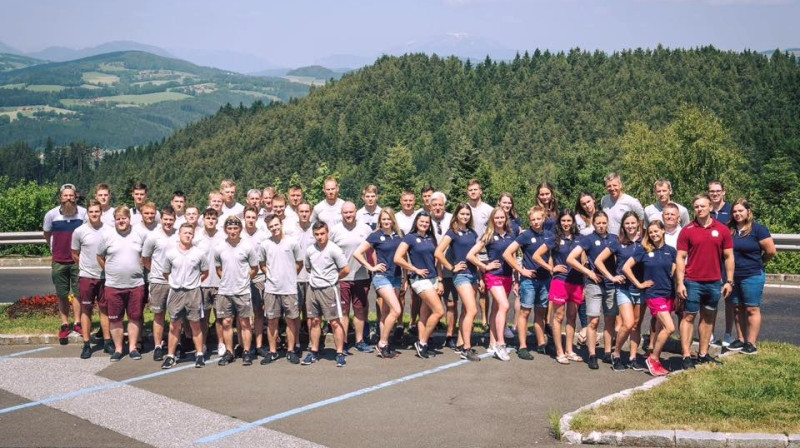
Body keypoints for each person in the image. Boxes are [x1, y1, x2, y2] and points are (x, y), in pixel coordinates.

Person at [675, 194, 734, 370]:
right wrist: (680, 282)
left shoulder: (722, 230)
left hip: (715, 282)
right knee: (688, 317)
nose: (699, 209)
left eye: (702, 206)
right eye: (696, 207)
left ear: (710, 207)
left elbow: (729, 256)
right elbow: (680, 258)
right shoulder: (687, 230)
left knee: (708, 318)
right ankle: (686, 355)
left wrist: (729, 281)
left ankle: (703, 354)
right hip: (692, 282)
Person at [621, 220, 677, 376]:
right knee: (670, 328)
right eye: (651, 232)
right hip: (653, 294)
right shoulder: (643, 250)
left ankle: (656, 360)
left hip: (669, 294)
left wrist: (679, 289)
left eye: (656, 231)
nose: (653, 234)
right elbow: (626, 268)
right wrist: (639, 284)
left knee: (660, 328)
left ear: (663, 231)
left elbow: (675, 271)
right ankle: (652, 358)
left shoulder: (671, 251)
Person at [593, 211, 645, 371]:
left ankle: (633, 357)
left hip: (641, 288)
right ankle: (616, 354)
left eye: (633, 223)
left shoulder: (646, 241)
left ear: (638, 224)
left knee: (636, 325)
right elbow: (598, 261)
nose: (630, 226)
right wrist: (612, 277)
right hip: (623, 288)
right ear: (623, 225)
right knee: (628, 323)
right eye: (627, 223)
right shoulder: (617, 242)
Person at [567, 211, 618, 370]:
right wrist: (588, 272)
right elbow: (570, 259)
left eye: (604, 223)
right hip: (593, 284)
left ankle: (608, 352)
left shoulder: (614, 239)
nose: (601, 226)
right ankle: (592, 354)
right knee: (593, 320)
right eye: (598, 223)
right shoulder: (588, 239)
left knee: (610, 320)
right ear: (594, 224)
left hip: (610, 285)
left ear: (607, 222)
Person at [533, 210, 584, 365]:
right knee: (558, 317)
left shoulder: (579, 239)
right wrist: (551, 268)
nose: (566, 224)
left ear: (573, 222)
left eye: (569, 221)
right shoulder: (554, 238)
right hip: (560, 281)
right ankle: (559, 351)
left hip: (576, 282)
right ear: (559, 222)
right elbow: (536, 255)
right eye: (563, 221)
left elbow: (583, 261)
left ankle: (569, 350)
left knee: (572, 316)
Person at [353, 208, 404, 359]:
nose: (386, 222)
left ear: (393, 220)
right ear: (380, 220)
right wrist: (371, 267)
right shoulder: (376, 235)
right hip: (382, 277)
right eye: (384, 219)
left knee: (386, 313)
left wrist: (405, 278)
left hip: (396, 277)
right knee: (397, 310)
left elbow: (403, 257)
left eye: (389, 219)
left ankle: (385, 343)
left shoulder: (399, 235)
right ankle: (381, 343)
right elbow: (357, 253)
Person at [96, 206, 146, 361]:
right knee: (115, 319)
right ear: (115, 220)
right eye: (118, 219)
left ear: (129, 219)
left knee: (134, 317)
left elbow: (146, 255)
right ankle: (118, 349)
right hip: (113, 285)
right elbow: (99, 256)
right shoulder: (107, 236)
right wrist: (109, 270)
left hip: (136, 284)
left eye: (124, 218)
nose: (121, 221)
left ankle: (132, 348)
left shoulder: (139, 234)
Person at [727, 199, 776, 354]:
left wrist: (760, 262)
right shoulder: (730, 230)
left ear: (748, 211)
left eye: (740, 210)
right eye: (734, 211)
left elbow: (771, 251)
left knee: (751, 308)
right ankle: (741, 339)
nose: (737, 214)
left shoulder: (758, 229)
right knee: (736, 308)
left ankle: (751, 343)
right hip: (734, 276)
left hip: (752, 275)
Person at [467, 207, 516, 361]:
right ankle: (501, 344)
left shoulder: (510, 236)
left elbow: (513, 258)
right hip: (493, 276)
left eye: (502, 217)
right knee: (504, 306)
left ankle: (492, 342)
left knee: (496, 309)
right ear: (492, 220)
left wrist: (516, 278)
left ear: (506, 219)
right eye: (496, 218)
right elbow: (470, 255)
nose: (499, 220)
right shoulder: (488, 235)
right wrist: (485, 266)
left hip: (507, 276)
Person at [503, 206, 551, 359]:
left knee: (541, 313)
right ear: (529, 221)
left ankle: (541, 342)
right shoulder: (525, 236)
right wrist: (521, 270)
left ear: (543, 219)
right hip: (529, 280)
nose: (536, 222)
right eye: (533, 220)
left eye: (538, 219)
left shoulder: (550, 235)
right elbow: (507, 253)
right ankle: (522, 346)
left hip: (545, 280)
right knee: (525, 312)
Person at [394, 211, 444, 359]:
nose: (424, 224)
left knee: (425, 315)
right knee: (439, 311)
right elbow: (398, 258)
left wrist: (440, 280)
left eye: (427, 222)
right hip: (420, 279)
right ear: (416, 222)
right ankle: (422, 342)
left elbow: (437, 261)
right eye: (422, 221)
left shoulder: (431, 238)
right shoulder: (410, 238)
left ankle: (424, 345)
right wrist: (414, 269)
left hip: (433, 279)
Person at [434, 204, 481, 361]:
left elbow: (476, 256)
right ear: (457, 215)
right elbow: (438, 253)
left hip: (473, 274)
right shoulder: (452, 232)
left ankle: (461, 343)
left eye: (468, 214)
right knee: (472, 310)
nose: (465, 216)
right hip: (461, 276)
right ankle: (467, 349)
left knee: (466, 311)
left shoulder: (473, 233)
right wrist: (451, 267)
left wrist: (480, 276)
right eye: (462, 214)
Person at [43, 183, 87, 345]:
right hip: (59, 260)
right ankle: (64, 324)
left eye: (71, 195)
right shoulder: (51, 215)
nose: (68, 198)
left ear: (76, 197)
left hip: (78, 260)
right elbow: (47, 234)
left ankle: (77, 323)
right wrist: (55, 249)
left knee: (78, 293)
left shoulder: (83, 213)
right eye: (65, 195)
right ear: (60, 198)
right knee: (62, 294)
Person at [303, 221, 350, 367]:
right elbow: (308, 268)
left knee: (335, 322)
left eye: (322, 234)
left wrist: (333, 278)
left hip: (330, 289)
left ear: (327, 232)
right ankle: (314, 351)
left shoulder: (334, 249)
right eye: (316, 234)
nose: (319, 237)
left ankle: (340, 353)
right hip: (313, 289)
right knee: (315, 321)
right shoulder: (310, 250)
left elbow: (346, 269)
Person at [161, 223, 209, 368]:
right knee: (174, 325)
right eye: (185, 233)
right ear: (179, 234)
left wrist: (194, 283)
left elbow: (205, 272)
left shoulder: (199, 253)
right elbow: (165, 273)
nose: (188, 235)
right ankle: (170, 356)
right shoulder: (171, 253)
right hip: (176, 292)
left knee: (195, 324)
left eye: (190, 233)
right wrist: (174, 282)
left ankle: (199, 354)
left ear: (193, 235)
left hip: (193, 293)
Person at [214, 216, 259, 366]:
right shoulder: (220, 247)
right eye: (230, 228)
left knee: (245, 323)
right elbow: (218, 268)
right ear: (225, 229)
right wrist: (227, 279)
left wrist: (244, 280)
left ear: (240, 229)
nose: (232, 231)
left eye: (235, 228)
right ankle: (229, 352)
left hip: (243, 291)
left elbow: (254, 268)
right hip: (225, 291)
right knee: (226, 322)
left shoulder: (247, 247)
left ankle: (246, 352)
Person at [330, 202, 374, 354]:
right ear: (341, 214)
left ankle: (359, 341)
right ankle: (343, 342)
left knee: (360, 310)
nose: (348, 215)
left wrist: (372, 268)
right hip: (342, 277)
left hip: (361, 275)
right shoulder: (335, 230)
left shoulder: (365, 229)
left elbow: (372, 249)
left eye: (350, 212)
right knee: (343, 311)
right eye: (345, 213)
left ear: (356, 212)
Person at [260, 214, 304, 365]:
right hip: (271, 289)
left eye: (276, 225)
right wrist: (272, 276)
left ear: (281, 224)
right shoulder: (265, 244)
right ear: (268, 228)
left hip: (290, 289)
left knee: (291, 321)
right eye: (271, 226)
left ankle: (290, 351)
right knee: (272, 321)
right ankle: (273, 352)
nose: (274, 228)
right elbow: (262, 264)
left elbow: (299, 263)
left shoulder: (292, 243)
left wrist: (290, 276)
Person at [71, 199, 111, 358]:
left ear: (101, 212)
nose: (94, 214)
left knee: (104, 310)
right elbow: (75, 254)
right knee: (86, 310)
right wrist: (85, 266)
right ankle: (87, 344)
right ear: (87, 213)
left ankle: (108, 342)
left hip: (104, 277)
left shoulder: (109, 230)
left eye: (97, 211)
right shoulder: (79, 231)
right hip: (86, 277)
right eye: (91, 211)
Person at [142, 206, 178, 361]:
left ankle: (175, 345)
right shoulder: (153, 236)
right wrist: (156, 272)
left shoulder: (179, 235)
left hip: (176, 281)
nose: (168, 222)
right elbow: (145, 258)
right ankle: (158, 346)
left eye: (171, 219)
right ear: (161, 219)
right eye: (166, 219)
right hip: (158, 281)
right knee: (159, 314)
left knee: (176, 316)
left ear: (174, 220)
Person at [195, 208, 225, 357]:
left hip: (220, 283)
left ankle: (221, 343)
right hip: (203, 284)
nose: (211, 221)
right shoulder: (197, 237)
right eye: (208, 218)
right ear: (203, 219)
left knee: (220, 316)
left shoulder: (223, 236)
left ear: (217, 220)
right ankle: (203, 344)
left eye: (213, 218)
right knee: (203, 317)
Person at [241, 206, 270, 359]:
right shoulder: (238, 234)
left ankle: (258, 345)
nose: (250, 220)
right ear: (244, 217)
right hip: (241, 278)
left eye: (253, 217)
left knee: (259, 312)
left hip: (258, 277)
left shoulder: (263, 235)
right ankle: (244, 345)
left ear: (257, 218)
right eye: (248, 217)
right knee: (243, 314)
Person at [466, 179, 494, 331]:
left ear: (481, 191)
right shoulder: (465, 209)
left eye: (476, 190)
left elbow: (493, 228)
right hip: (469, 253)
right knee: (471, 288)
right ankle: (469, 320)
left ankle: (484, 320)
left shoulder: (488, 210)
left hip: (484, 253)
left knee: (485, 290)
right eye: (470, 190)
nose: (473, 192)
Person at [430, 192, 455, 347]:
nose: (437, 207)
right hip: (430, 269)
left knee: (451, 304)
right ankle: (429, 335)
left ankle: (450, 335)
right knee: (430, 306)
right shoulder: (424, 218)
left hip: (449, 266)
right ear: (430, 206)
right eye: (434, 205)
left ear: (444, 205)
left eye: (440, 204)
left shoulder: (452, 219)